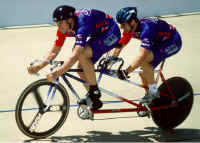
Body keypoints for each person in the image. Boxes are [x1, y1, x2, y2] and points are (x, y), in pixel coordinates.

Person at [27, 5, 121, 110]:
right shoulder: (64, 28)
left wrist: (57, 73)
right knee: (81, 69)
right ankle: (94, 99)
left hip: (112, 32)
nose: (59, 27)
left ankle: (94, 91)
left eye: (60, 23)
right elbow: (54, 51)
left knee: (81, 53)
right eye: (57, 24)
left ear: (70, 20)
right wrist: (38, 67)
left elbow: (75, 55)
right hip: (98, 33)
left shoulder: (82, 24)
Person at [108, 7, 182, 104]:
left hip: (172, 41)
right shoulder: (130, 29)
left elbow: (142, 55)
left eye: (123, 25)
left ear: (132, 22)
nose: (121, 28)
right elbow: (120, 45)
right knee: (143, 74)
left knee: (144, 61)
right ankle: (151, 102)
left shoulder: (147, 29)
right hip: (158, 42)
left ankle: (154, 92)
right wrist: (111, 59)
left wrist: (126, 72)